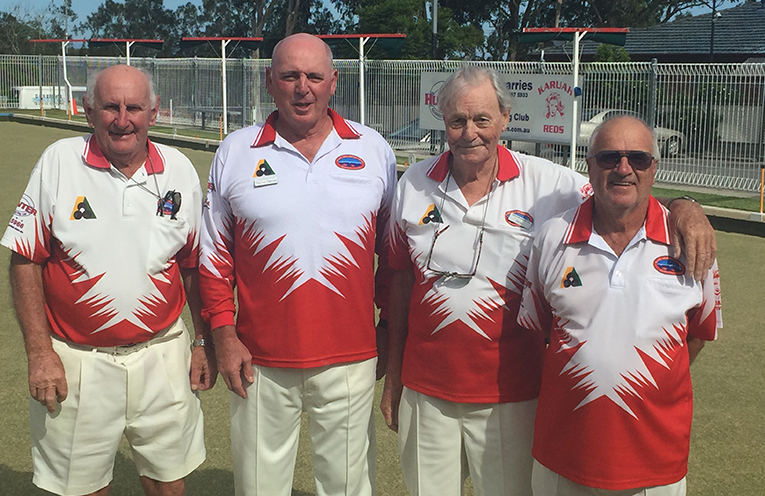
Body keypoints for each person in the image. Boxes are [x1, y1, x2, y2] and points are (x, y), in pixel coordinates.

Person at [380, 66, 717, 496]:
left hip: (513, 395)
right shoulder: (413, 183)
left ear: (504, 118)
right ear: (442, 121)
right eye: (457, 120)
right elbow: (400, 281)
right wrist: (394, 376)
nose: (470, 132)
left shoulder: (549, 183)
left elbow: (621, 188)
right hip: (426, 390)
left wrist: (685, 206)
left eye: (482, 119)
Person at [2, 64, 214, 496]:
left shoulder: (179, 168)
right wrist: (39, 353)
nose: (122, 119)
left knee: (168, 483)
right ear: (87, 110)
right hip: (78, 361)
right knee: (84, 488)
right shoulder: (59, 162)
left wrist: (202, 341)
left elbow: (192, 264)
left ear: (153, 112)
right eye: (110, 107)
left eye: (133, 107)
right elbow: (25, 259)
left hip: (163, 355)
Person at [198, 33, 396, 496]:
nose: (302, 88)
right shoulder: (236, 151)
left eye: (313, 76)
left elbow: (393, 255)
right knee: (258, 487)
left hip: (350, 359)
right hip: (257, 359)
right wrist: (223, 334)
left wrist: (387, 327)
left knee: (347, 487)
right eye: (289, 76)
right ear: (270, 82)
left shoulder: (373, 150)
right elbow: (213, 254)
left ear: (334, 82)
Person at [517, 115, 722, 495]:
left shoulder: (694, 244)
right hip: (563, 456)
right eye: (609, 157)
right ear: (590, 166)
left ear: (654, 168)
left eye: (638, 158)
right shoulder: (551, 237)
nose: (623, 169)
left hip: (656, 463)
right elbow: (541, 330)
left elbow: (695, 337)